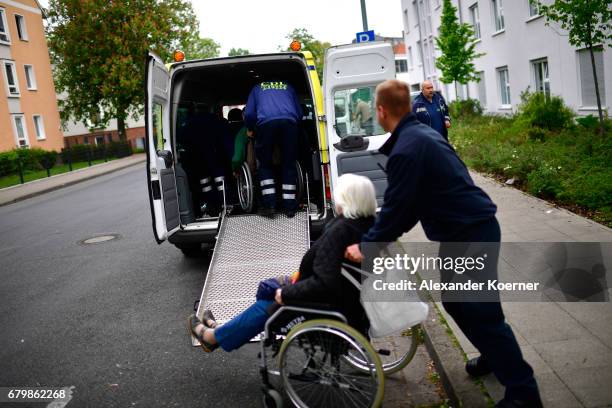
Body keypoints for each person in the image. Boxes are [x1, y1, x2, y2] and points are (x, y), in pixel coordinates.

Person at [345, 80, 542, 408]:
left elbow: (397, 209)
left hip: (472, 234)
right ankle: (495, 357)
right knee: (455, 303)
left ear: (380, 111)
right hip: (460, 233)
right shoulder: (418, 136)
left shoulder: (409, 147)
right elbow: (409, 206)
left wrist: (367, 246)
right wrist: (378, 236)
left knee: (483, 313)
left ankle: (524, 392)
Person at [188, 174, 376, 353]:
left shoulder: (340, 232)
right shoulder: (367, 225)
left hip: (324, 302)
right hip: (346, 299)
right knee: (270, 289)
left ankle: (213, 337)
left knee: (267, 305)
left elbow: (324, 283)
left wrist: (286, 293)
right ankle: (224, 330)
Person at [244, 80, 303, 218]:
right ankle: (289, 208)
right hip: (290, 124)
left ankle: (270, 205)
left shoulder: (257, 88)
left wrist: (251, 128)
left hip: (266, 124)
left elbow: (249, 115)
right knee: (289, 163)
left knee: (265, 163)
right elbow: (299, 113)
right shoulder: (289, 86)